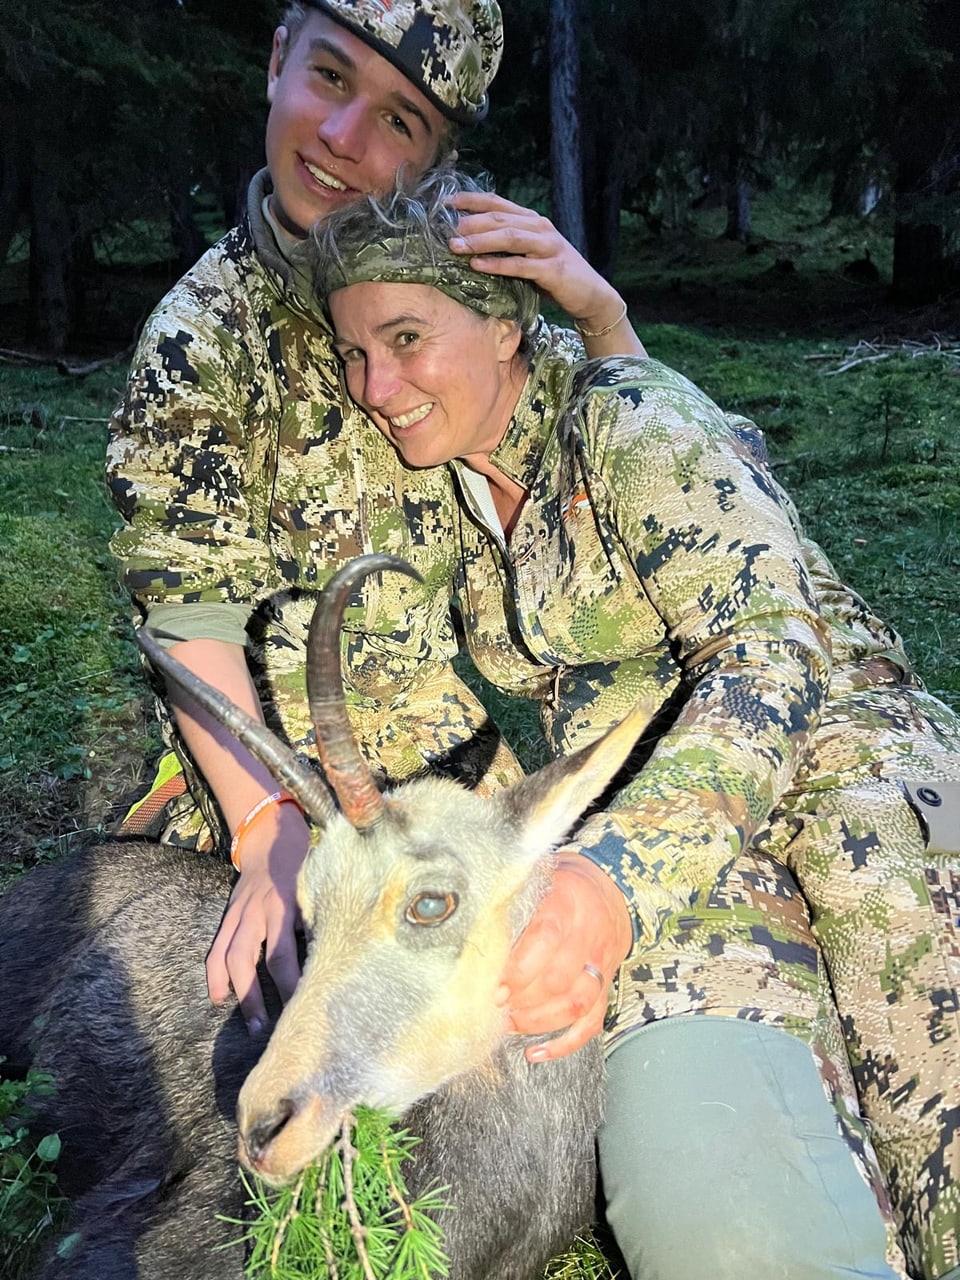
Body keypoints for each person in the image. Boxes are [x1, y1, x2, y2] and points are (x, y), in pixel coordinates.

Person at [311, 168, 960, 1280]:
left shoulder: (630, 414)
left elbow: (771, 652)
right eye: (356, 353)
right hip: (682, 857)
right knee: (711, 1212)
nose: (378, 383)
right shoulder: (454, 494)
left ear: (508, 327)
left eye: (407, 336)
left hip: (846, 780)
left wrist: (609, 879)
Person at [106, 0, 647, 1041]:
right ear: (276, 60)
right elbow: (191, 614)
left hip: (445, 760)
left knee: (563, 1007)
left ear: (438, 158)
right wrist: (267, 831)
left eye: (400, 122)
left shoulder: (458, 282)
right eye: (331, 79)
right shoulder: (198, 338)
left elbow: (648, 476)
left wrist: (604, 319)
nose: (346, 142)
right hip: (263, 760)